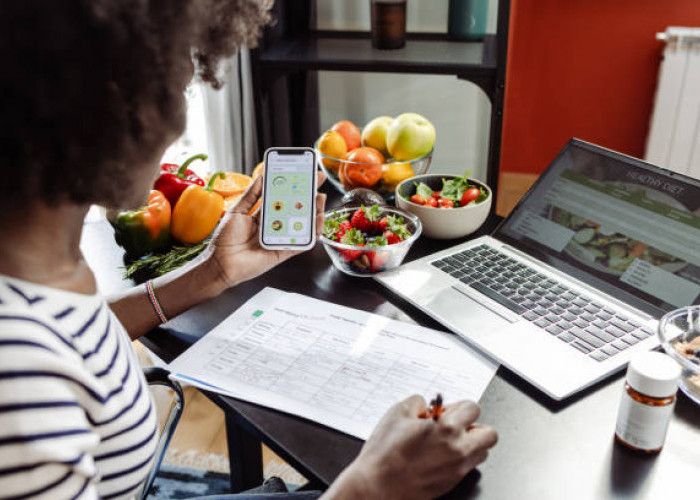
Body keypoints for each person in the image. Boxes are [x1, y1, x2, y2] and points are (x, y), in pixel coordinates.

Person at [0, 1, 498, 499]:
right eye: (172, 87)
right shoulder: (19, 378)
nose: (175, 125)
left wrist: (211, 273)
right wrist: (371, 486)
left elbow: (75, 338)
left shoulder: (37, 265)